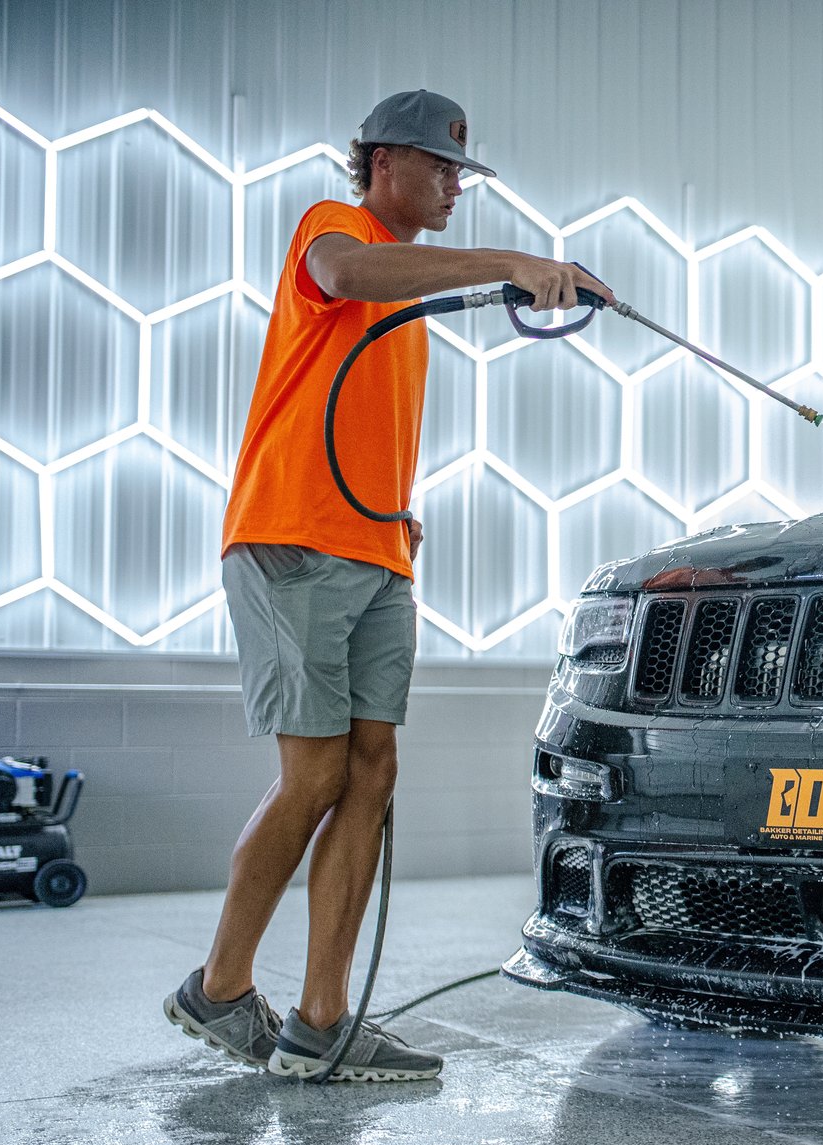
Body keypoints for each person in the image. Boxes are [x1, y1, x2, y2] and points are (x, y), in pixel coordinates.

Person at [162, 90, 613, 1082]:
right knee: (315, 775)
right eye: (443, 167)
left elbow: (359, 408)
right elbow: (346, 273)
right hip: (292, 544)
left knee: (371, 771)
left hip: (373, 556)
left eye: (462, 172)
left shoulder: (404, 305)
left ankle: (322, 1019)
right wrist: (509, 261)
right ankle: (221, 987)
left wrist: (391, 517)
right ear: (384, 163)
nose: (456, 184)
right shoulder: (339, 232)